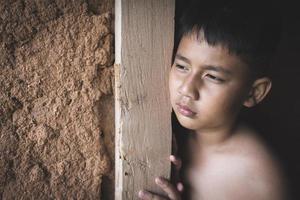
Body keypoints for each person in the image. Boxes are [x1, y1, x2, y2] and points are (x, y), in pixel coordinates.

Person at [138, 0, 289, 199]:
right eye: (182, 66)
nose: (187, 89)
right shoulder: (173, 135)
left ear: (254, 92)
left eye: (213, 77)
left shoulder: (257, 180)